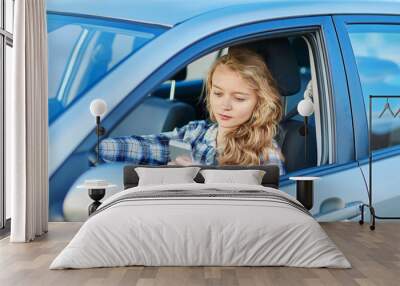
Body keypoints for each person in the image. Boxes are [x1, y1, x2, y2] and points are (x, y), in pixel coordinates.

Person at [99, 48, 286, 175]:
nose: (225, 105)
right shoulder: (195, 133)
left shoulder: (265, 151)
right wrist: (92, 148)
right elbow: (148, 146)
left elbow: (266, 208)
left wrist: (199, 175)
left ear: (259, 102)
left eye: (239, 98)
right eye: (218, 93)